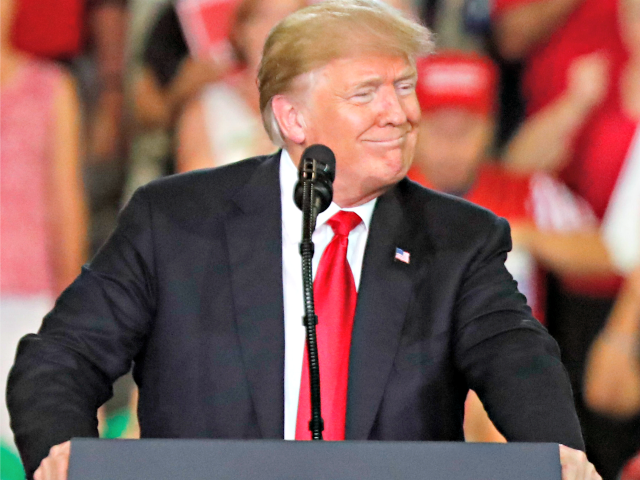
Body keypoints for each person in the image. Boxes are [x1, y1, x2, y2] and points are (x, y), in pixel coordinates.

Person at [7, 2, 598, 480]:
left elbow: (520, 364)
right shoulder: (176, 221)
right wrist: (67, 456)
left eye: (404, 86)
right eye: (366, 93)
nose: (400, 113)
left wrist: (558, 456)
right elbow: (59, 360)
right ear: (294, 119)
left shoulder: (459, 239)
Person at [0, 0, 88, 473]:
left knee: (33, 450)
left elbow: (65, 200)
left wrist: (69, 321)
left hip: (29, 300)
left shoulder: (50, 86)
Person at [175, 0, 305, 172]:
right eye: (263, 17)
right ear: (240, 31)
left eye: (289, 18)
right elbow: (194, 190)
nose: (276, 28)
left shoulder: (326, 102)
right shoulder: (205, 108)